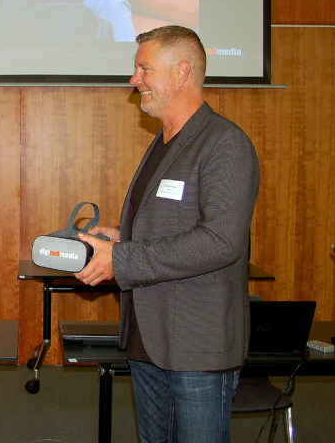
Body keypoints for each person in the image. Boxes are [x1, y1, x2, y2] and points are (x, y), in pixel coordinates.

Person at [75, 26, 259, 442]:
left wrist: (121, 260)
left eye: (143, 68)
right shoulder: (163, 142)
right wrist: (122, 237)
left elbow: (221, 240)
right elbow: (175, 225)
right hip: (149, 341)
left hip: (195, 347)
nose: (133, 79)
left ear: (181, 72)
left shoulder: (223, 143)